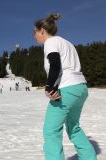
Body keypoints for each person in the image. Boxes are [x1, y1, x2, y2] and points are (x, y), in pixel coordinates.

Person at [34, 13, 96, 159]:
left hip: (66, 89)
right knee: (73, 127)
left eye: (35, 31)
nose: (34, 36)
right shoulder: (66, 43)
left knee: (51, 130)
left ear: (42, 29)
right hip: (80, 88)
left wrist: (49, 87)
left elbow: (55, 64)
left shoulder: (50, 42)